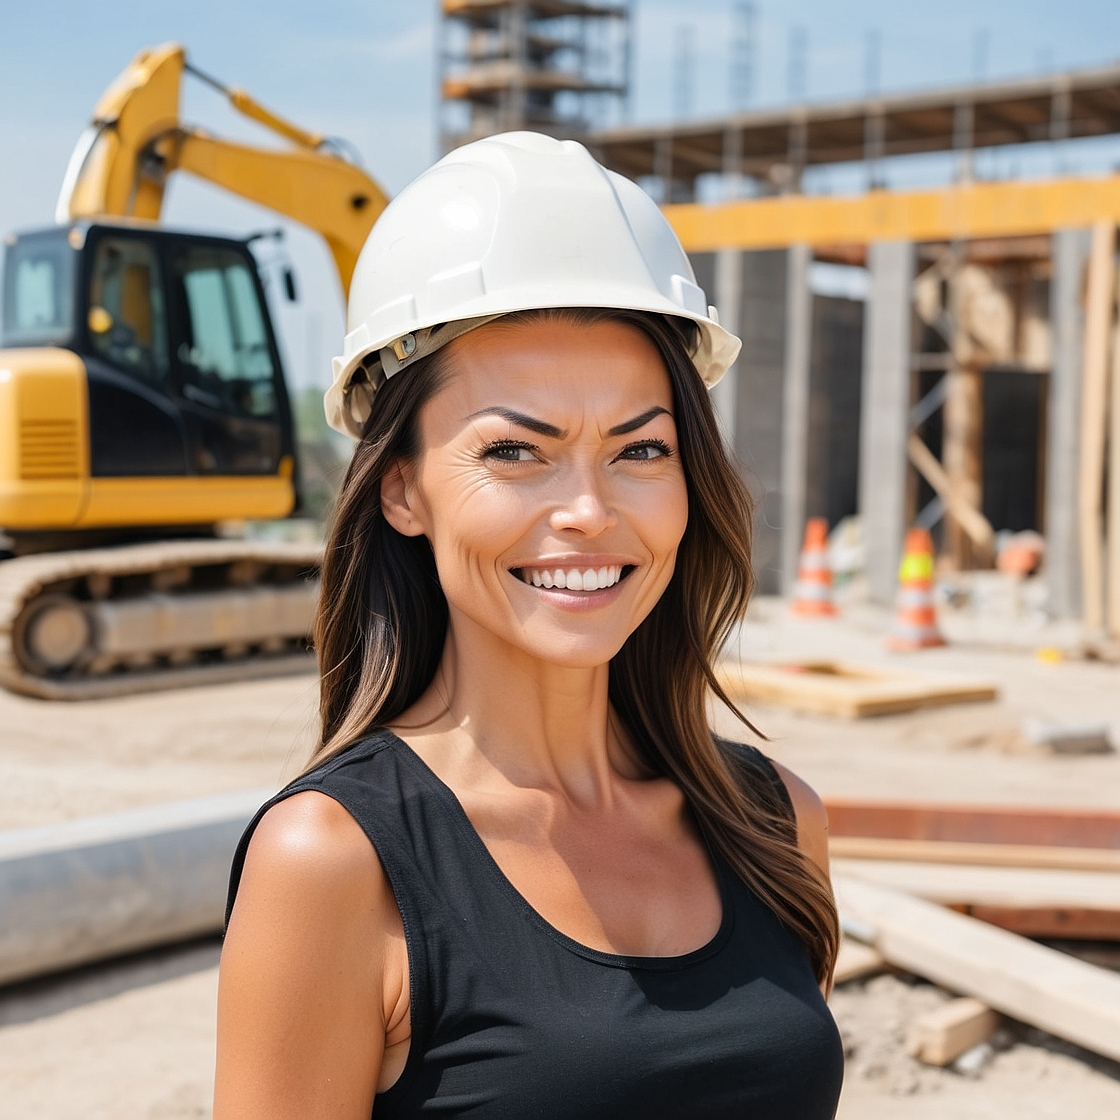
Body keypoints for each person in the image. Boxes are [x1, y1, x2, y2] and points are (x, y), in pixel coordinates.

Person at [215, 132, 844, 1120]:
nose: (589, 509)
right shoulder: (334, 863)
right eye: (516, 451)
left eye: (639, 449)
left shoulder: (774, 822)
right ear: (402, 491)